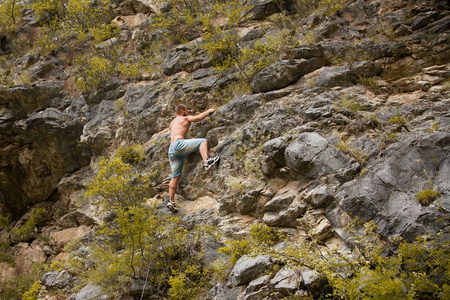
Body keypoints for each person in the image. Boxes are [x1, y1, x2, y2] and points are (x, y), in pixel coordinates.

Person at [167, 104, 220, 212]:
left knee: (175, 176)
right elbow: (199, 118)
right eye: (186, 110)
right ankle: (207, 161)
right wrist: (209, 110)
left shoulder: (172, 123)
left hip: (172, 150)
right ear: (182, 111)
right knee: (202, 141)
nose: (188, 112)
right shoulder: (185, 118)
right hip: (178, 145)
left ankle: (171, 201)